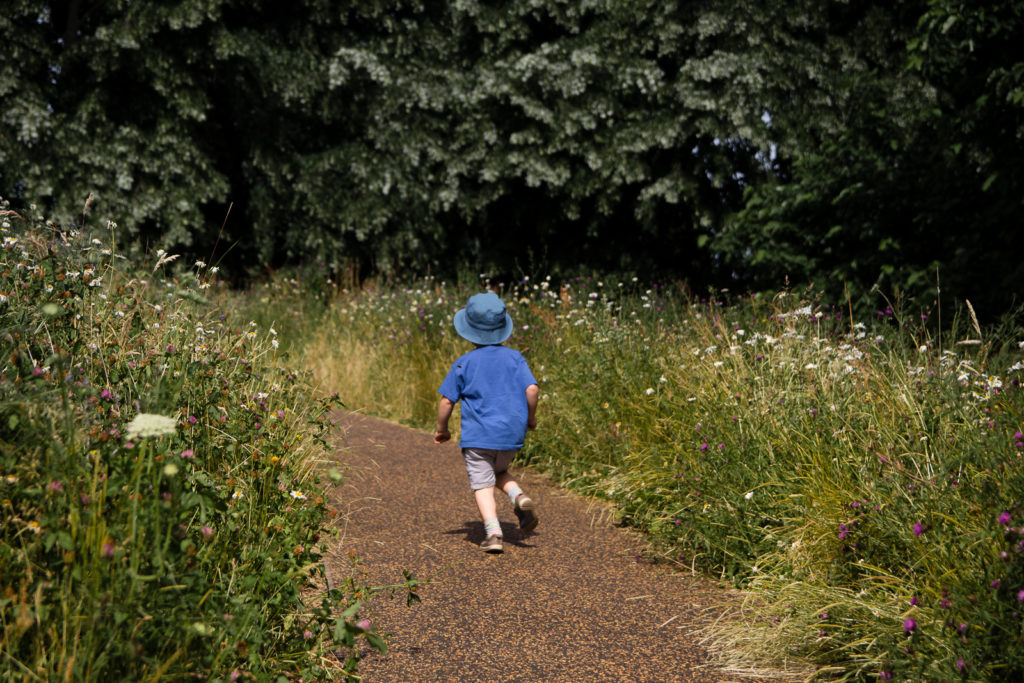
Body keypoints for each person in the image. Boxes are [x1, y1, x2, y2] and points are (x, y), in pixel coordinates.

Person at [434, 291, 540, 554]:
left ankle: (493, 534)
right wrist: (530, 418)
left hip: (479, 438)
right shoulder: (515, 358)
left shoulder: (464, 363)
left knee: (482, 484)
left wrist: (442, 430)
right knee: (499, 473)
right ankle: (519, 496)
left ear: (469, 330)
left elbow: (447, 402)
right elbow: (532, 390)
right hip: (510, 436)